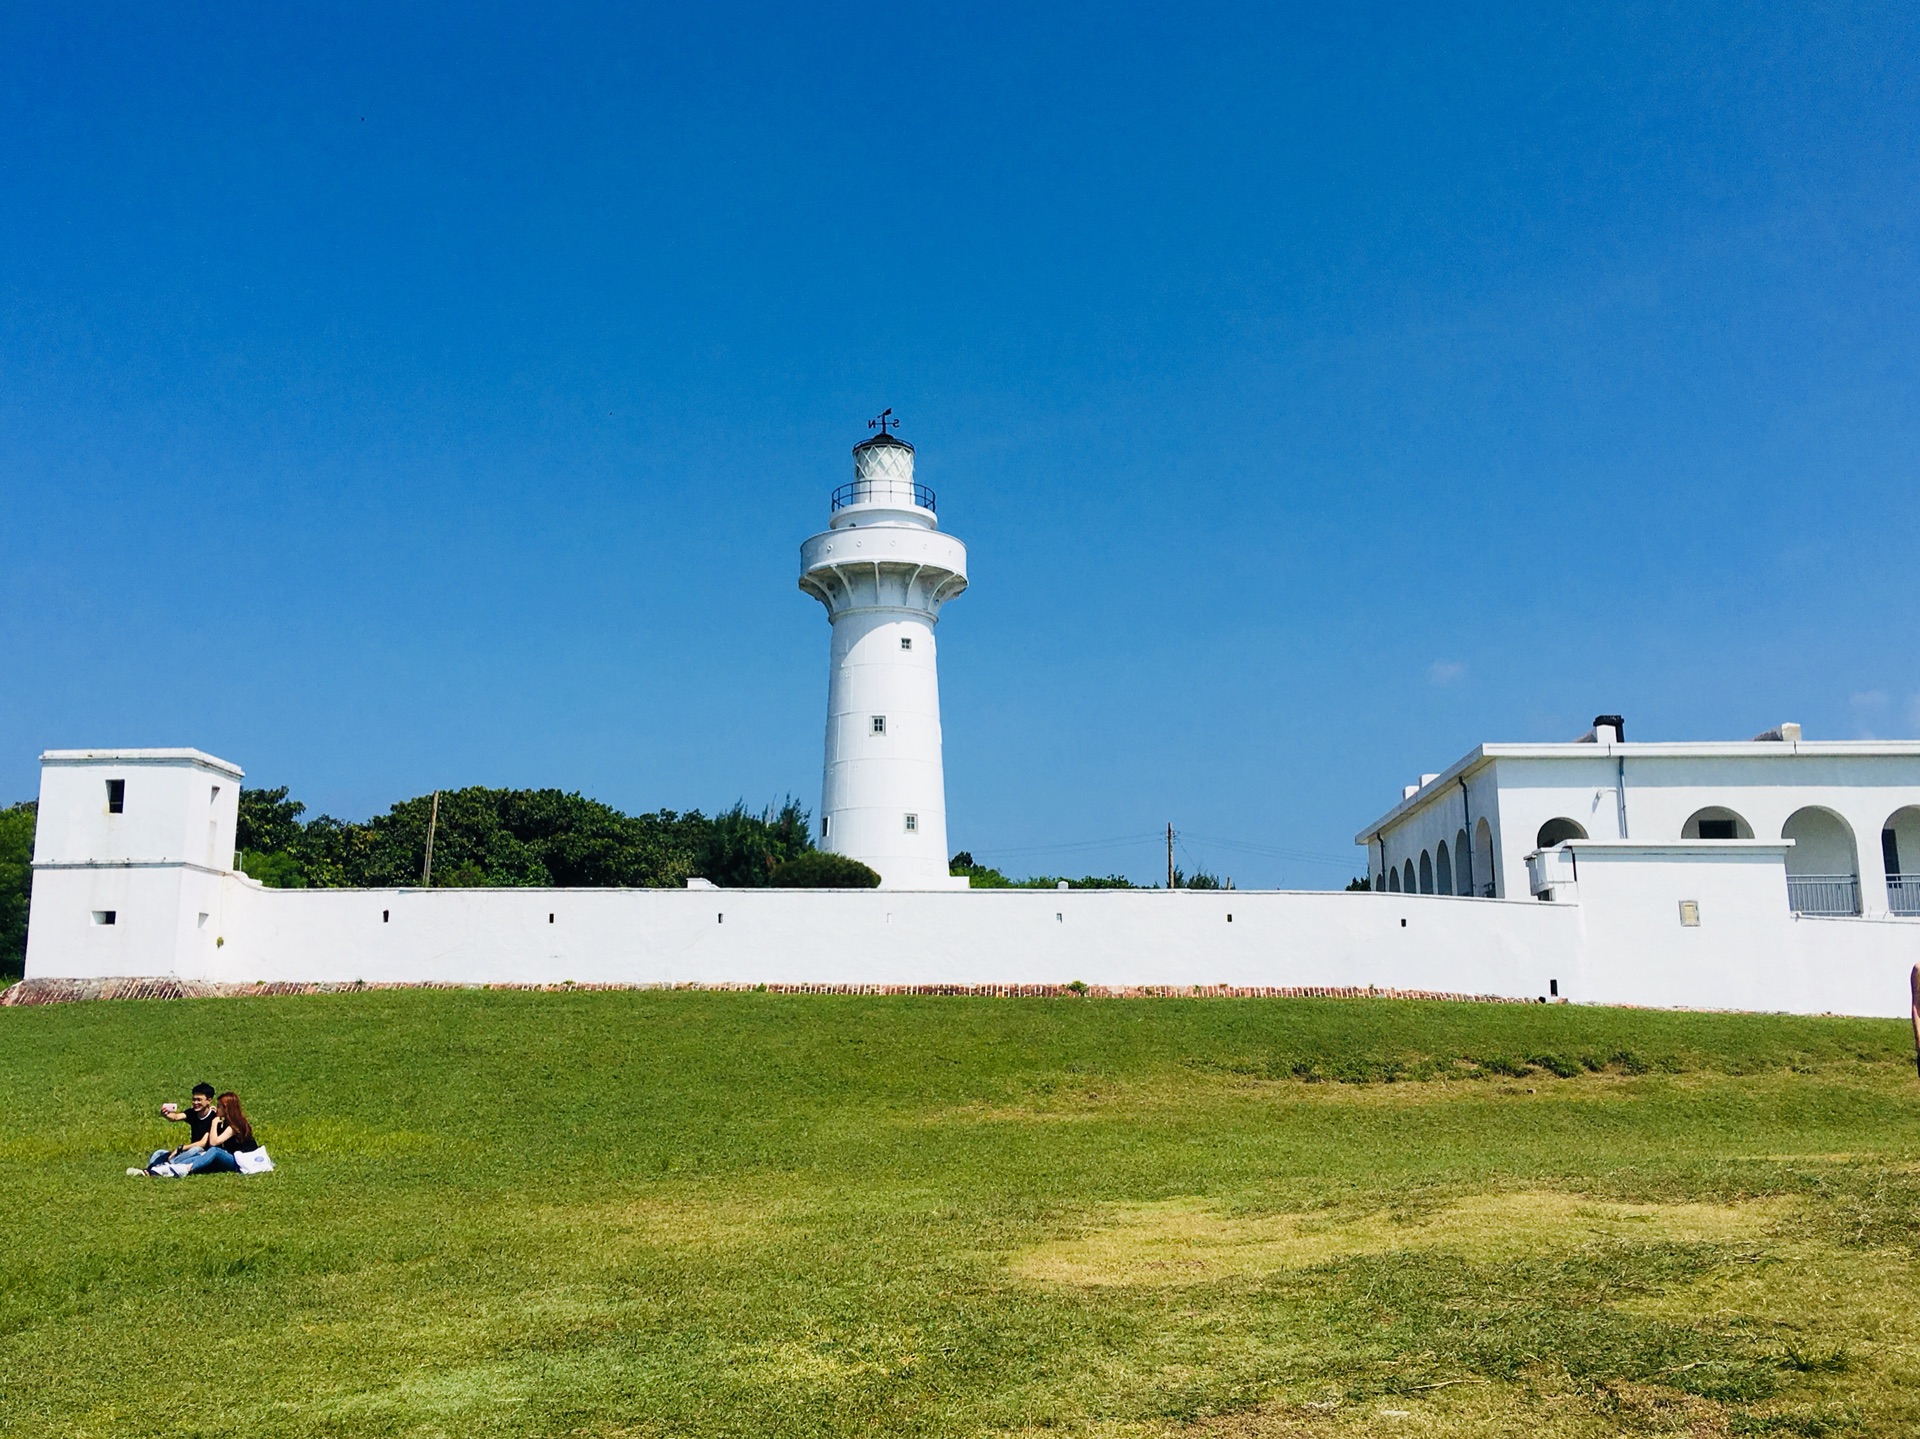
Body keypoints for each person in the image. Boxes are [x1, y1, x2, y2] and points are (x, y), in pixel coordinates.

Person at [162, 1092, 261, 1178]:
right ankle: (174, 1165)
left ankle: (187, 1168)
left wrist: (214, 1122)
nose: (216, 1108)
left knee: (214, 1151)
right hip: (234, 1157)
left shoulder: (234, 1127)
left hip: (241, 1161)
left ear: (226, 1109)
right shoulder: (226, 1122)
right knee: (202, 1154)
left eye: (219, 1106)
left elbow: (213, 1143)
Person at [129, 1082, 217, 1176]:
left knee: (195, 1149)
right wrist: (166, 1115)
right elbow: (176, 1117)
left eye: (199, 1100)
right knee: (159, 1153)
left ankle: (164, 1167)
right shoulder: (192, 1113)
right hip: (189, 1152)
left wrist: (181, 1148)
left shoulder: (213, 1117)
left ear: (209, 1100)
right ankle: (150, 1169)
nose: (195, 1103)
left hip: (203, 1154)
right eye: (194, 1099)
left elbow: (203, 1143)